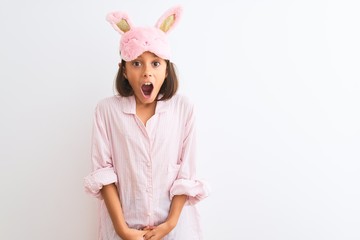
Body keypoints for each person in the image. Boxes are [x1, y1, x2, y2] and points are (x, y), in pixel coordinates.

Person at [84, 5, 210, 240]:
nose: (147, 73)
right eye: (136, 63)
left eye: (155, 63)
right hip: (122, 229)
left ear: (166, 69)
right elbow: (104, 172)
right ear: (123, 70)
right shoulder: (106, 110)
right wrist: (122, 230)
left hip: (175, 230)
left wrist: (169, 224)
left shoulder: (183, 108)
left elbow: (186, 172)